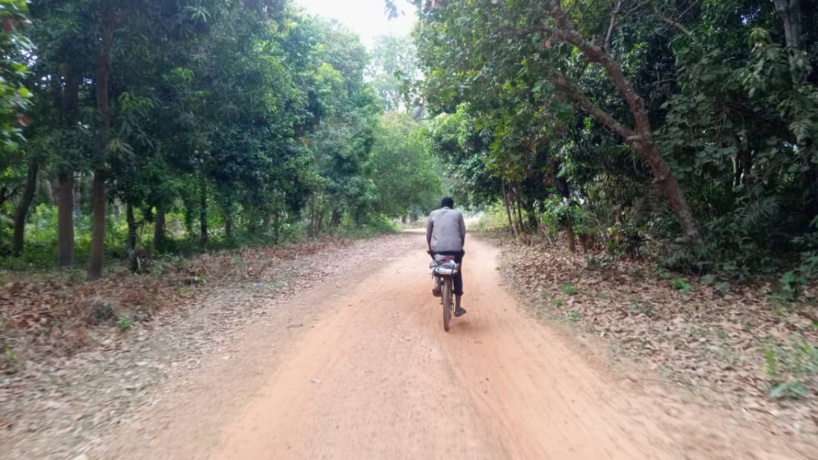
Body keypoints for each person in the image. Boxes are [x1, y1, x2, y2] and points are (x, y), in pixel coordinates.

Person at [426, 196, 467, 317]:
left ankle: (437, 283)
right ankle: (458, 308)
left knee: (437, 262)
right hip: (455, 250)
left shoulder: (433, 213)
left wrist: (430, 249)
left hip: (437, 249)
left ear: (441, 205)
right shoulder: (458, 214)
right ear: (452, 205)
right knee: (457, 273)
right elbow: (463, 233)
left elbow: (428, 234)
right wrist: (460, 247)